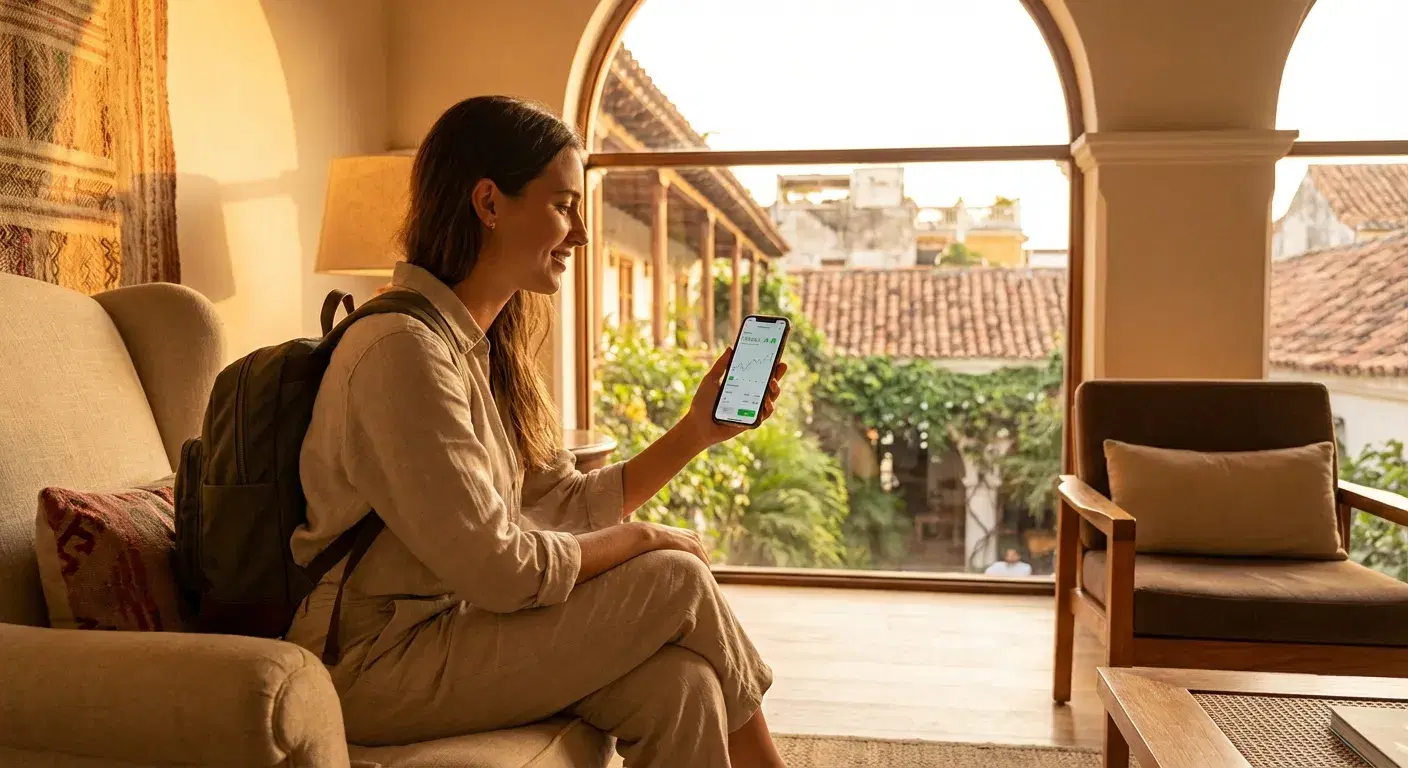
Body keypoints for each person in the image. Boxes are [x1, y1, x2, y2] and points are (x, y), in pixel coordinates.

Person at [285, 95, 787, 768]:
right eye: (564, 205)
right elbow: (503, 572)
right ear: (489, 203)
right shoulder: (400, 353)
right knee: (675, 577)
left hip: (451, 627)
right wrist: (641, 538)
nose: (580, 234)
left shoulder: (477, 348)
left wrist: (696, 431)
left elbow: (563, 500)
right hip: (373, 663)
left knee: (681, 685)